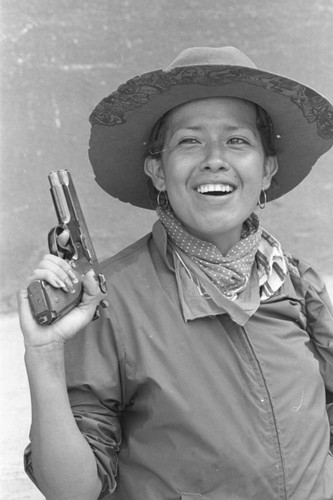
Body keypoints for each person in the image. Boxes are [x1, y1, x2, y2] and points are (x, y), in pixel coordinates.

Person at [17, 46, 333, 499]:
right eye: (189, 141)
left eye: (237, 141)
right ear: (158, 172)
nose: (214, 159)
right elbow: (72, 492)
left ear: (267, 170)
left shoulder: (299, 285)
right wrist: (44, 357)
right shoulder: (109, 302)